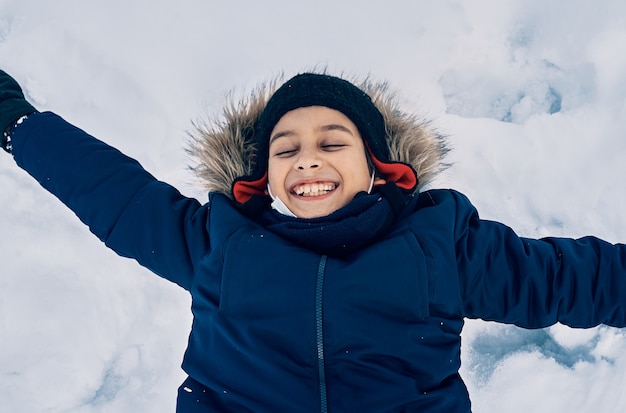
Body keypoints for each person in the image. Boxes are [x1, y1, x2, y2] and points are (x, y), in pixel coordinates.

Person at [2, 68, 626, 412]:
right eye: (286, 149)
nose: (306, 160)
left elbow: (571, 277)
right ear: (265, 177)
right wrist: (17, 123)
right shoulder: (221, 243)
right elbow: (118, 195)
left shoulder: (440, 244)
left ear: (379, 165)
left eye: (332, 143)